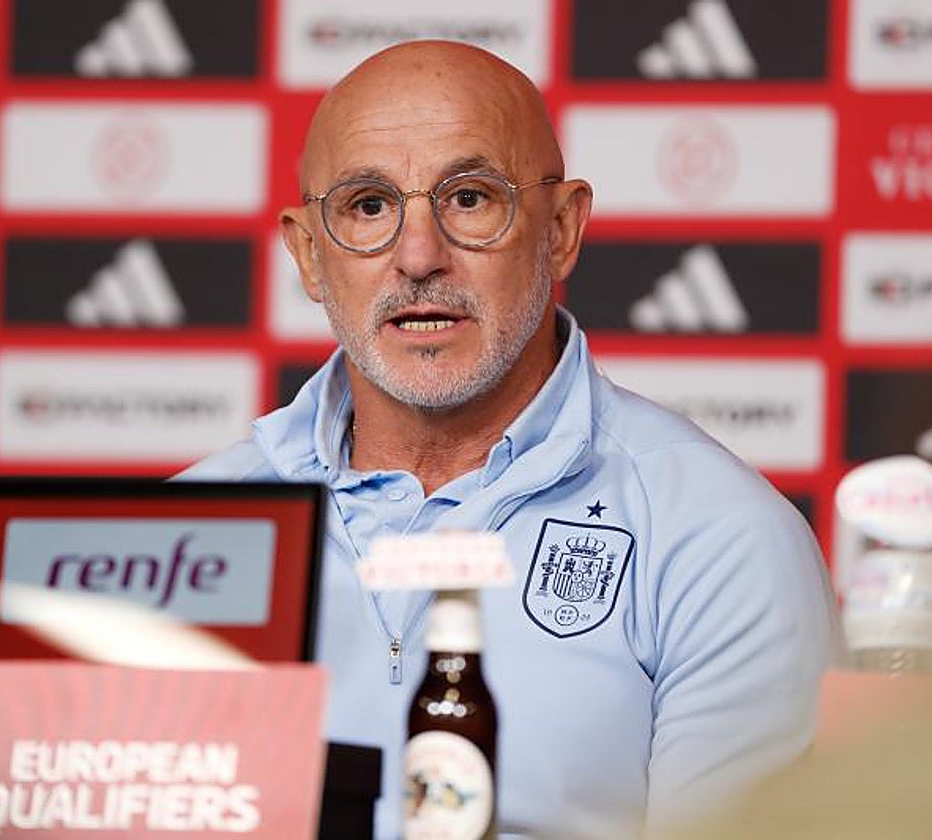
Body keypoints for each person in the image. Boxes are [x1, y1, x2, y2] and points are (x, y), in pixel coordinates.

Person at [180, 40, 841, 838]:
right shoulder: (188, 530)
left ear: (561, 229)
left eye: (469, 199)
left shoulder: (718, 537)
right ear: (309, 254)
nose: (418, 258)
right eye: (368, 206)